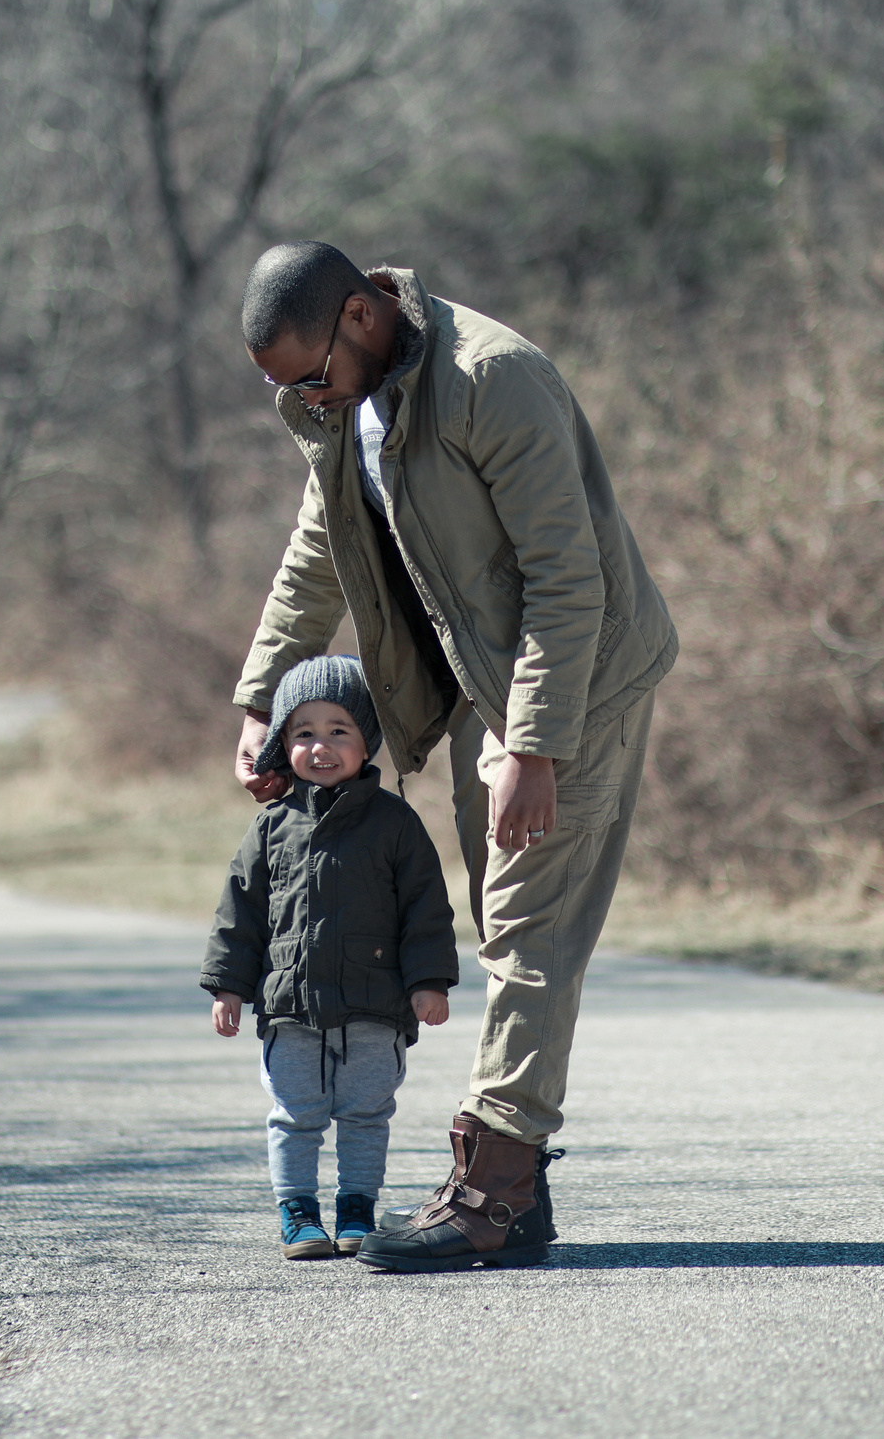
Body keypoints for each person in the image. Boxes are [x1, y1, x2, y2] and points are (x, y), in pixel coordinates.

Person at [230, 241, 677, 1273]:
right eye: (280, 387)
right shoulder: (344, 404)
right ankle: (522, 1202)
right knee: (502, 919)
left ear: (356, 317)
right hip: (485, 677)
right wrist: (261, 697)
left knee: (526, 921)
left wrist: (533, 743)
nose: (300, 397)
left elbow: (568, 580)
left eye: (306, 374)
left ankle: (492, 1187)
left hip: (578, 677)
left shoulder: (491, 381)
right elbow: (316, 551)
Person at [202, 654, 460, 1262]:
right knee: (295, 1114)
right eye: (303, 733)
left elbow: (426, 909)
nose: (320, 747)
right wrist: (228, 986)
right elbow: (238, 912)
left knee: (367, 1112)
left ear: (366, 739)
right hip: (290, 1007)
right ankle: (297, 1213)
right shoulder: (271, 827)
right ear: (281, 744)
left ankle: (356, 1209)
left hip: (376, 1005)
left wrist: (428, 982)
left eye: (338, 731)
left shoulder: (395, 824)